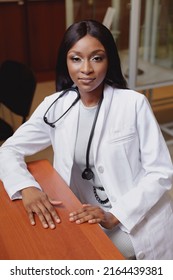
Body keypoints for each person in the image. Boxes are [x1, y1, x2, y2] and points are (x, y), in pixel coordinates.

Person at [0, 20, 173, 260]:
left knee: (79, 259)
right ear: (66, 62)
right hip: (83, 213)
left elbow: (161, 173)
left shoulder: (133, 104)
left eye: (96, 58)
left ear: (109, 60)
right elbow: (8, 149)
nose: (86, 69)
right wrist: (27, 187)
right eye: (76, 58)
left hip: (136, 220)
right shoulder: (55, 106)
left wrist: (116, 215)